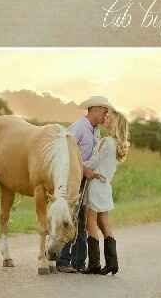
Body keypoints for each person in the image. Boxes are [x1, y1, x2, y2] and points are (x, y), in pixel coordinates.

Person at [56, 96, 111, 273]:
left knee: (82, 221)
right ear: (94, 109)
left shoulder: (96, 131)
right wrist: (83, 169)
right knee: (71, 219)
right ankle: (63, 261)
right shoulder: (78, 127)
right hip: (72, 180)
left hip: (85, 181)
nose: (106, 115)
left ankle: (78, 262)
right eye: (104, 111)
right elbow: (65, 153)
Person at [83, 109, 130, 276]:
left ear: (115, 124)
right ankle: (112, 263)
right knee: (105, 224)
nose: (106, 118)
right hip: (105, 187)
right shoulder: (116, 144)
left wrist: (78, 163)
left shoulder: (106, 141)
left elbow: (93, 163)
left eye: (110, 118)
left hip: (95, 184)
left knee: (91, 223)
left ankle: (94, 264)